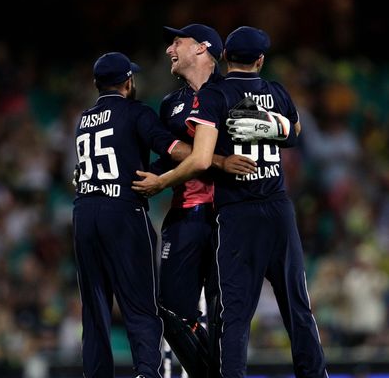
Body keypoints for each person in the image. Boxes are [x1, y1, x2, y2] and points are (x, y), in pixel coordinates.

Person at [133, 26, 328, 377]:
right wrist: (269, 126)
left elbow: (202, 157)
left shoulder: (217, 94)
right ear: (262, 60)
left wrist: (160, 182)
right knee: (295, 305)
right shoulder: (274, 90)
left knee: (232, 314)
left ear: (217, 53)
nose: (169, 49)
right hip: (271, 206)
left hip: (231, 212)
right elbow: (294, 133)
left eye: (178, 41)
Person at [73, 52, 191, 378]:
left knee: (94, 311)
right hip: (122, 212)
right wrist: (207, 154)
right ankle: (146, 374)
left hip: (84, 213)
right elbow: (172, 149)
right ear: (128, 82)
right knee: (141, 306)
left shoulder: (84, 118)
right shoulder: (135, 112)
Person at [155, 24, 256, 376]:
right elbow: (166, 155)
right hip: (183, 215)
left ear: (202, 48)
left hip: (223, 217)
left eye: (176, 42)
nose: (170, 49)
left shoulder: (229, 94)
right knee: (167, 310)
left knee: (222, 312)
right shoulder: (170, 103)